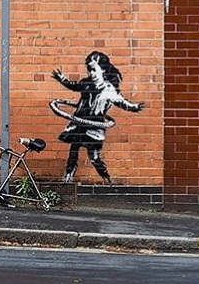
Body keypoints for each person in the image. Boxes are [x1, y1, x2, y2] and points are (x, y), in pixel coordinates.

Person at [50, 51, 144, 184]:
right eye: (89, 70)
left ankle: (106, 178)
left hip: (94, 128)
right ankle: (68, 176)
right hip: (79, 123)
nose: (91, 73)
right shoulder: (86, 83)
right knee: (74, 148)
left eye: (94, 70)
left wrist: (134, 107)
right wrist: (62, 79)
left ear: (103, 70)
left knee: (94, 157)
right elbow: (74, 86)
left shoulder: (109, 90)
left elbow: (121, 102)